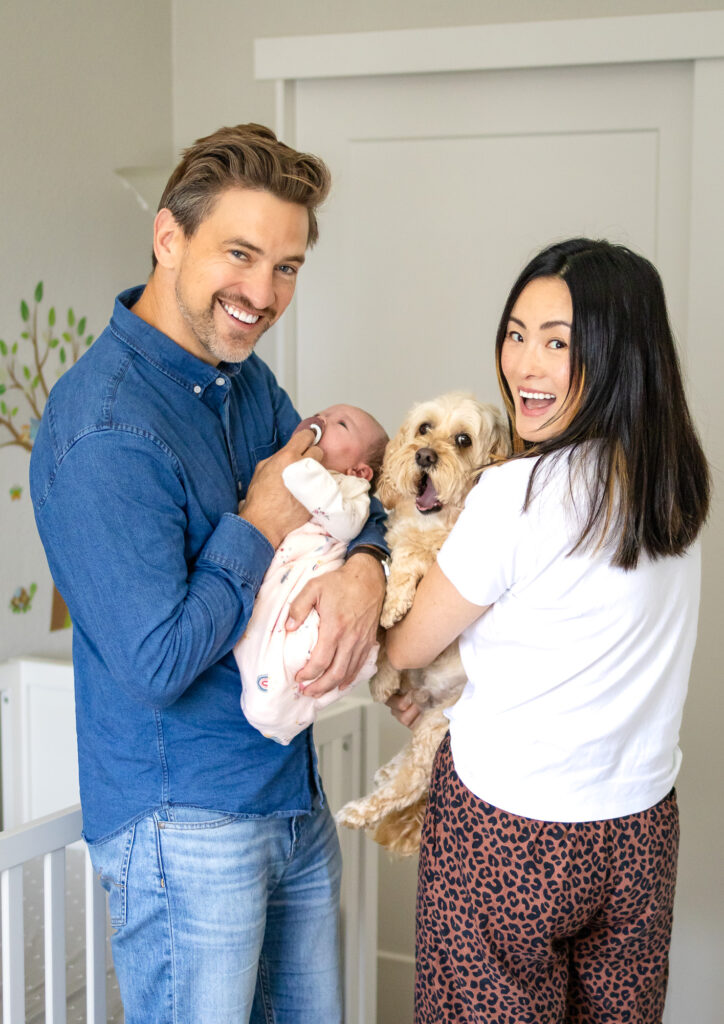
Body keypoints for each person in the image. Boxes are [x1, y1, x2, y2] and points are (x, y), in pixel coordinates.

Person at [29, 124, 389, 1024]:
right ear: (168, 238)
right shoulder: (105, 429)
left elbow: (351, 495)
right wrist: (257, 525)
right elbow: (156, 663)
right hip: (184, 827)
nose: (264, 294)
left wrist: (368, 570)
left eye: (287, 267)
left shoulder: (245, 383)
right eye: (240, 254)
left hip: (290, 798)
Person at [385, 238, 710, 1024]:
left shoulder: (516, 493)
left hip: (508, 828)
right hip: (638, 830)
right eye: (517, 334)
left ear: (617, 355)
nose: (526, 365)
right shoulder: (672, 487)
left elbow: (408, 645)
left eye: (558, 343)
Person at [236, 403, 388, 744]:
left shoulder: (351, 491)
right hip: (281, 578)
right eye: (324, 414)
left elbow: (348, 524)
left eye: (341, 424)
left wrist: (300, 468)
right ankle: (279, 707)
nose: (323, 420)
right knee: (256, 642)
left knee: (300, 644)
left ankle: (290, 701)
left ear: (360, 471)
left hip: (312, 578)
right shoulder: (297, 466)